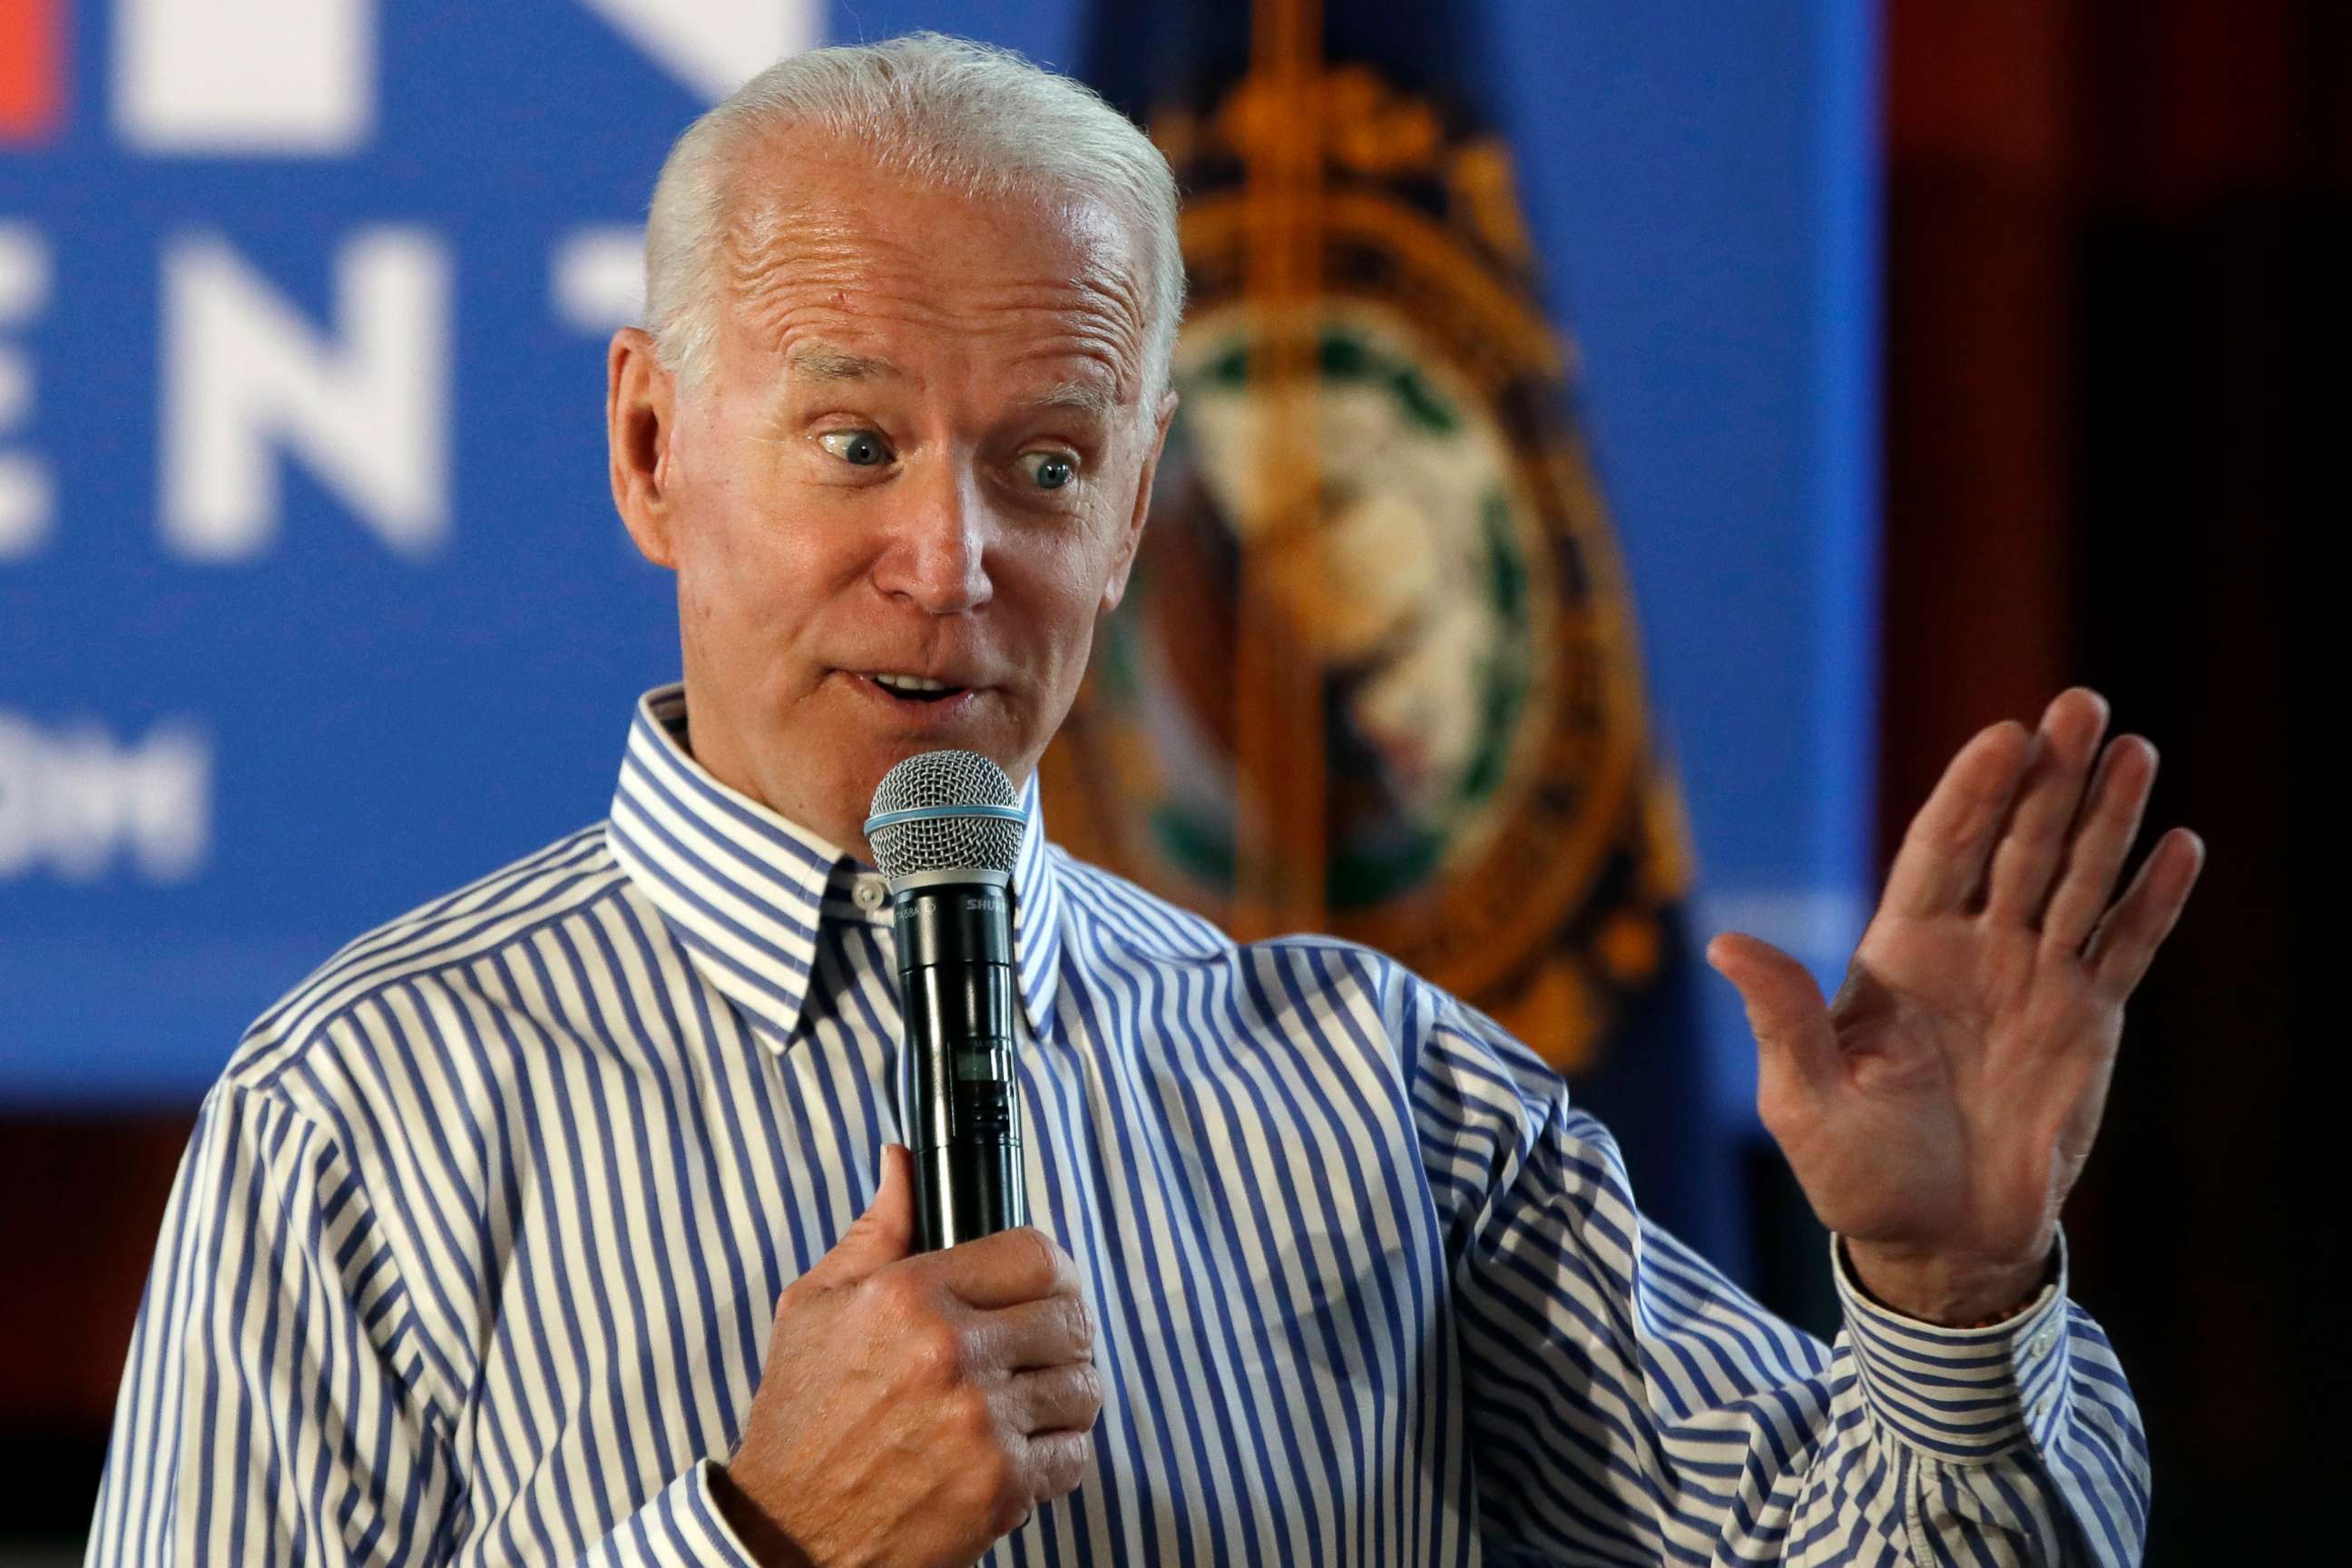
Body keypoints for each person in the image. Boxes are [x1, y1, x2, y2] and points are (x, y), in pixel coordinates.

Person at [86, 33, 2197, 1568]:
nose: (952, 559)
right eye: (849, 443)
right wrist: (752, 1545)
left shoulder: (1383, 1096)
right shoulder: (365, 1104)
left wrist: (1945, 1295)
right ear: (651, 446)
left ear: (1138, 508)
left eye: (1044, 465)